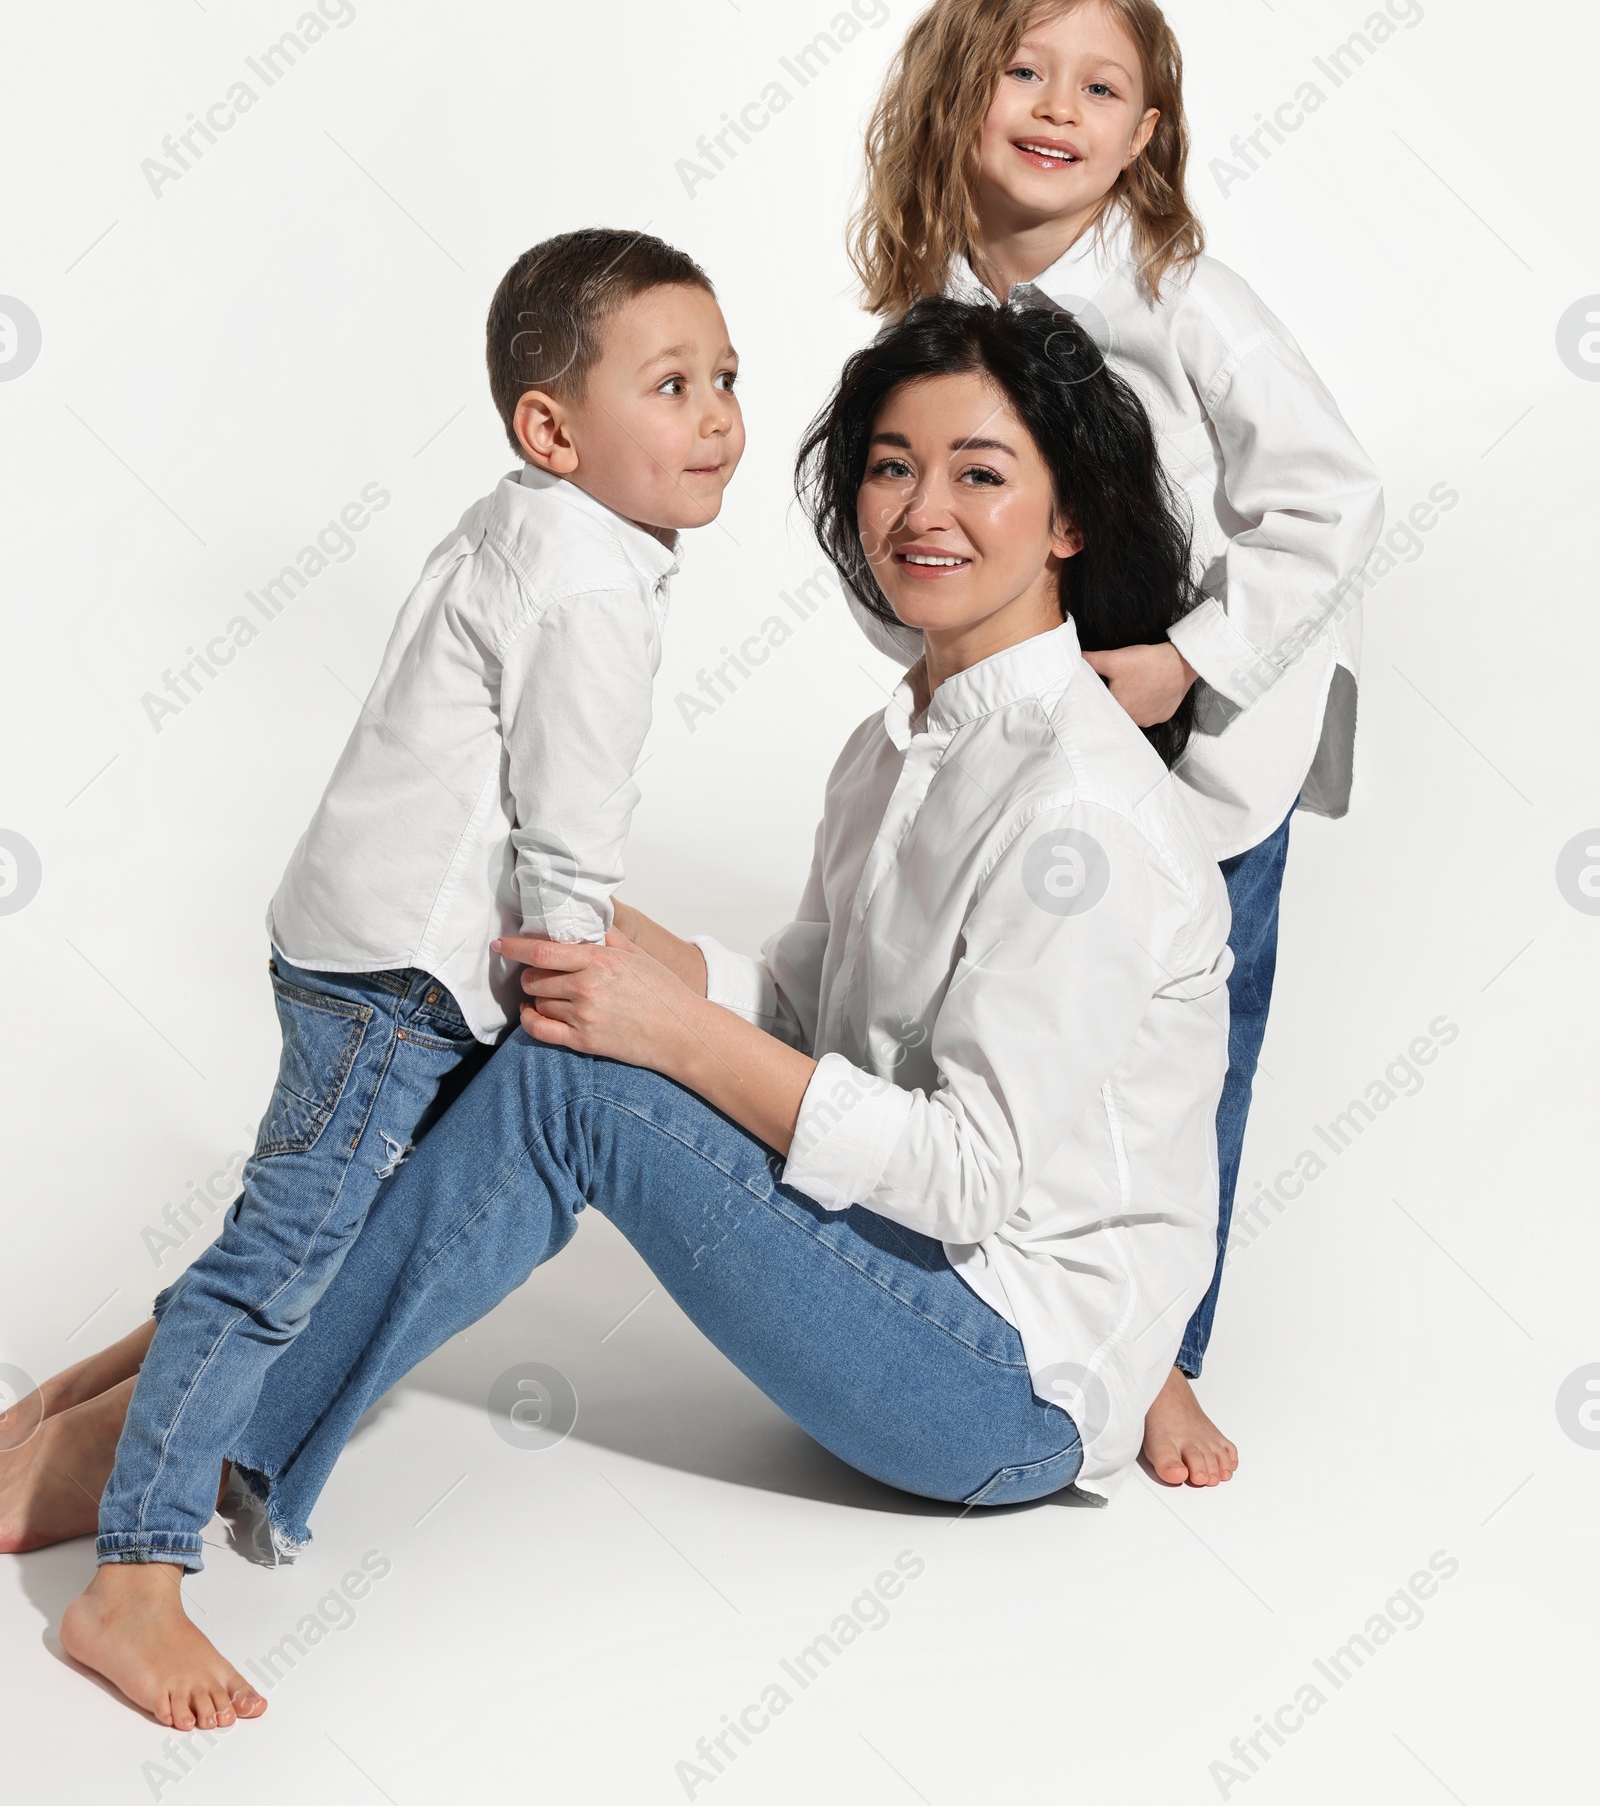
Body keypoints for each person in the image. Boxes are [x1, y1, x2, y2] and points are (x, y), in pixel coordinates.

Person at [2, 297, 1231, 1744]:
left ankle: (184, 1454)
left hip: (1002, 1389)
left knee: (589, 1081)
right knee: (530, 998)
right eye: (891, 465)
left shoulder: (1077, 810)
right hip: (912, 1282)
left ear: (1070, 516)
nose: (921, 508)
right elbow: (808, 1009)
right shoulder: (900, 740)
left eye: (980, 472)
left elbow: (974, 1173)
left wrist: (668, 1032)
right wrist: (621, 951)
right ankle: (148, 1387)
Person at [52, 228, 744, 1730]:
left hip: (359, 949)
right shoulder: (590, 582)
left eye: (726, 381)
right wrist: (582, 986)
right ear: (551, 429)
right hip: (398, 985)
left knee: (293, 1233)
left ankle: (55, 1437)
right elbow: (569, 815)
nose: (717, 418)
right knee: (280, 1264)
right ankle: (133, 1578)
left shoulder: (538, 527)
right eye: (674, 383)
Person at [848, 0, 1385, 1485]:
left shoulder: (1179, 299)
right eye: (1022, 71)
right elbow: (893, 517)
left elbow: (1326, 496)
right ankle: (1020, 1297)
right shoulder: (928, 312)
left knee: (1194, 1044)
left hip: (1210, 727)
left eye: (1102, 87)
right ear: (955, 95)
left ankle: (1168, 1356)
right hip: (1038, 733)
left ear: (1146, 134)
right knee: (1030, 1020)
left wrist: (1191, 663)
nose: (1058, 108)